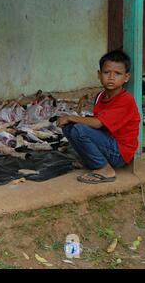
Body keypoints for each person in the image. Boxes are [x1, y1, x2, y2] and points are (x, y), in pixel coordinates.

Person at [57, 50, 140, 184]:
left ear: (126, 77)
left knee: (78, 128)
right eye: (107, 72)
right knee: (69, 128)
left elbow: (97, 123)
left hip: (119, 152)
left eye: (117, 73)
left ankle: (105, 169)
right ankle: (92, 161)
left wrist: (70, 117)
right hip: (108, 143)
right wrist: (70, 121)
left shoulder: (126, 100)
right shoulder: (100, 96)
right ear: (99, 74)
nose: (111, 77)